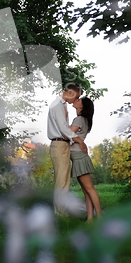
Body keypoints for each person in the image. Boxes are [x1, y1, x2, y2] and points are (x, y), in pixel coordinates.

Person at [47, 83, 88, 215]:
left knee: (64, 180)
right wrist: (79, 140)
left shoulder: (62, 105)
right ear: (70, 92)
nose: (73, 102)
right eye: (76, 97)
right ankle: (60, 213)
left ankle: (60, 212)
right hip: (59, 144)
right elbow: (64, 129)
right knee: (62, 181)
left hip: (62, 145)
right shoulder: (58, 105)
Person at [70, 96, 102, 222]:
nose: (76, 100)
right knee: (86, 190)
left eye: (79, 100)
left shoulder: (79, 119)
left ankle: (100, 218)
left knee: (89, 189)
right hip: (78, 156)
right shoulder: (84, 120)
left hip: (78, 156)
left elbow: (68, 134)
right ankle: (90, 219)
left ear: (82, 106)